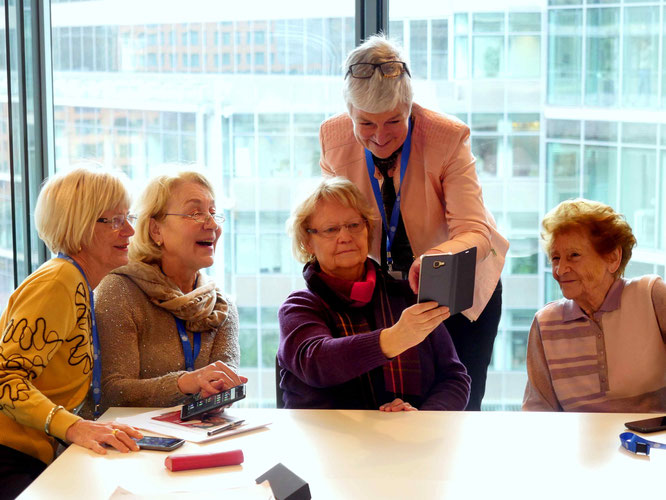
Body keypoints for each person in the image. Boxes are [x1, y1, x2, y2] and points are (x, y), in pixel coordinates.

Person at [319, 34, 509, 410]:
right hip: (384, 296)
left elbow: (476, 230)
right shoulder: (333, 136)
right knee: (389, 407)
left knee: (457, 407)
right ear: (349, 110)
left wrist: (436, 258)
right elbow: (335, 218)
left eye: (394, 120)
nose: (380, 136)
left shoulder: (447, 136)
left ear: (410, 105)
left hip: (456, 287)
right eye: (365, 123)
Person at [0, 167, 144, 499]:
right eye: (116, 220)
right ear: (79, 224)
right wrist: (74, 427)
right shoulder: (59, 281)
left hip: (29, 454)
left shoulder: (75, 281)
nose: (130, 230)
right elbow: (5, 378)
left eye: (128, 217)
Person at [278, 177, 470, 411]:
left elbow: (454, 378)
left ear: (367, 229)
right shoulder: (300, 306)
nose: (345, 237)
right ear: (307, 242)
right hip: (328, 434)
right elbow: (316, 362)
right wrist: (395, 338)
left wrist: (420, 417)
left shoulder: (408, 296)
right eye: (330, 229)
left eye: (354, 225)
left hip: (408, 432)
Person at [95, 171, 244, 413]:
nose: (212, 224)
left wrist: (219, 393)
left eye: (213, 212)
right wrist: (185, 383)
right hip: (130, 435)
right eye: (195, 213)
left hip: (200, 433)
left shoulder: (220, 306)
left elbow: (225, 388)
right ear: (156, 230)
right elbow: (112, 392)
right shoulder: (120, 291)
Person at [522, 199, 666, 412]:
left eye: (574, 256)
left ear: (613, 258)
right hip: (579, 435)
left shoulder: (651, 296)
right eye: (555, 258)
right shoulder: (545, 323)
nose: (561, 269)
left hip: (653, 433)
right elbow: (538, 409)